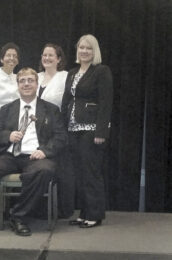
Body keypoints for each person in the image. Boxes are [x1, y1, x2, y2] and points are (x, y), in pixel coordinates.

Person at [0, 67, 67, 236]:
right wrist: (8, 135)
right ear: (17, 85)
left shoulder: (51, 109)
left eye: (30, 81)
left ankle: (18, 217)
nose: (26, 84)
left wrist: (45, 151)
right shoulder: (7, 109)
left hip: (36, 156)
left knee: (44, 170)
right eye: (22, 81)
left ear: (37, 83)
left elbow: (61, 137)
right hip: (9, 155)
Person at [61, 34, 113, 228]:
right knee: (80, 173)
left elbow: (106, 103)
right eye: (81, 47)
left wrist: (101, 132)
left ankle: (95, 214)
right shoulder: (72, 72)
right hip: (73, 128)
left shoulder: (101, 71)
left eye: (88, 48)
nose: (84, 51)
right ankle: (84, 213)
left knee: (91, 172)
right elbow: (67, 100)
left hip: (91, 129)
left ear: (95, 51)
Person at [37, 43, 68, 109]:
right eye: (44, 55)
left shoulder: (66, 77)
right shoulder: (36, 77)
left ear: (59, 59)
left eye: (50, 55)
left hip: (56, 118)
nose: (47, 58)